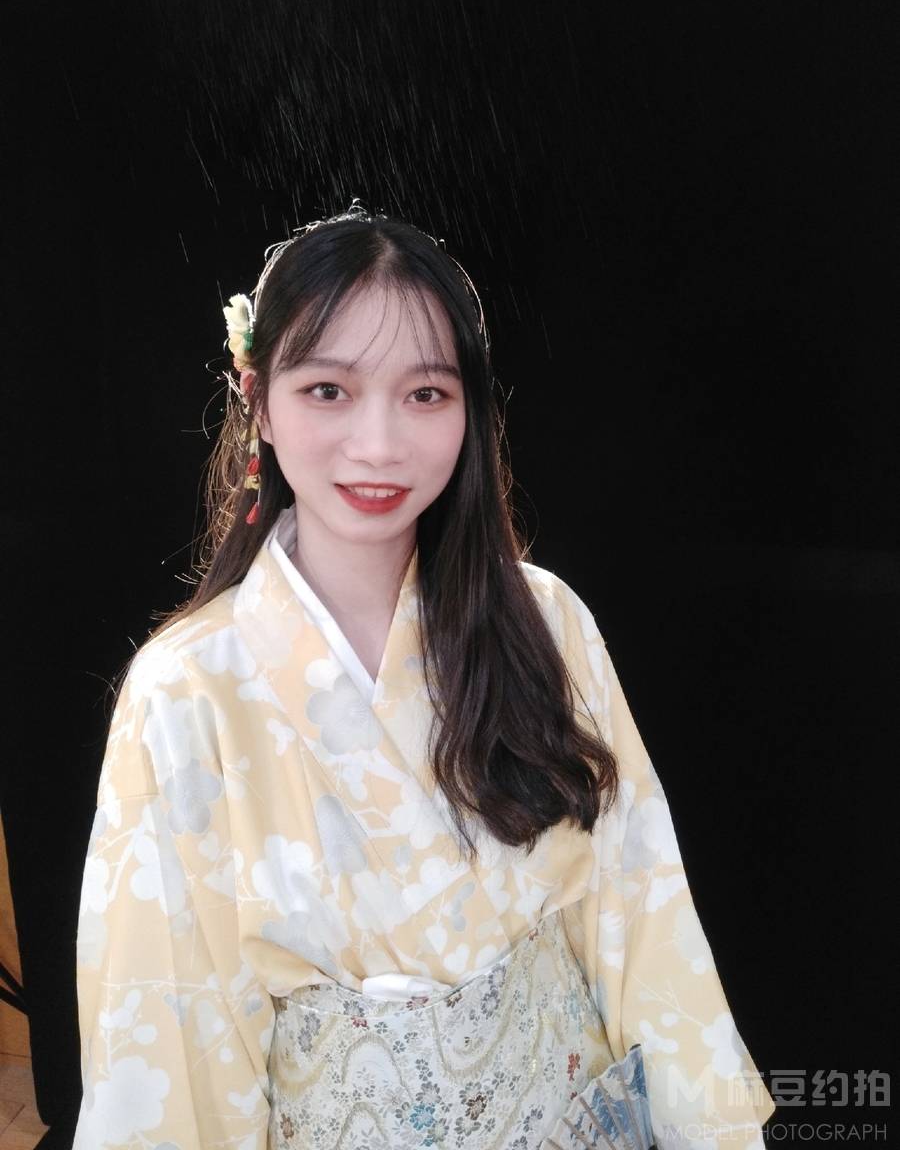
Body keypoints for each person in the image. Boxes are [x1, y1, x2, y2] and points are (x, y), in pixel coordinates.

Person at [74, 207, 775, 1149]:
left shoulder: (545, 622)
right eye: (328, 390)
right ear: (258, 400)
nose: (379, 444)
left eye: (425, 394)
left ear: (469, 409)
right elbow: (168, 1042)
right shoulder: (188, 692)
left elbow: (643, 924)